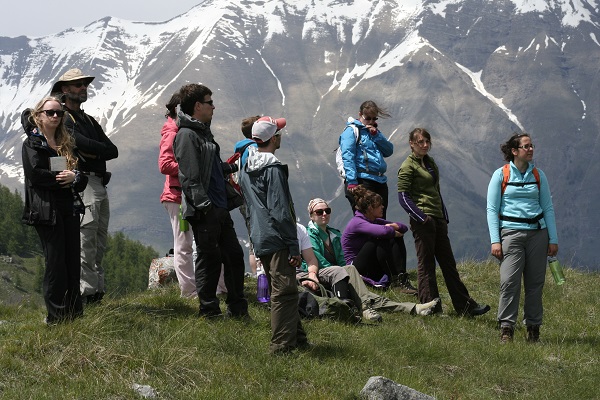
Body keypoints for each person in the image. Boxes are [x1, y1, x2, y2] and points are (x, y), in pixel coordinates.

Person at [172, 83, 248, 319]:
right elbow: (190, 178)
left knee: (234, 256)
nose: (213, 107)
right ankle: (209, 311)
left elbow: (209, 168)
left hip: (219, 206)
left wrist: (230, 166)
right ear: (197, 106)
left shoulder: (203, 132)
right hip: (206, 210)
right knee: (210, 259)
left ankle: (237, 308)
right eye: (209, 102)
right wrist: (206, 208)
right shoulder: (186, 135)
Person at [397, 127, 490, 317]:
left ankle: (466, 307)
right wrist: (422, 218)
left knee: (448, 264)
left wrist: (444, 217)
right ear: (411, 144)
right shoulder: (407, 166)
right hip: (423, 220)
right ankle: (430, 307)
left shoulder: (430, 163)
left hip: (438, 219)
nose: (425, 145)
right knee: (426, 265)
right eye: (420, 142)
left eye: (427, 141)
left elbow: (437, 192)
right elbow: (403, 197)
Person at [238, 116, 309, 354]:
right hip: (277, 236)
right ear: (274, 138)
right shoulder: (273, 167)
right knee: (285, 291)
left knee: (281, 286)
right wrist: (293, 245)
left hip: (259, 235)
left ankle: (298, 338)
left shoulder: (246, 163)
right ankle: (281, 346)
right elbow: (280, 211)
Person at [51, 68, 118, 305]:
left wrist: (91, 149)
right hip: (84, 183)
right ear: (65, 90)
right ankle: (87, 293)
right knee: (86, 238)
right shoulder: (63, 118)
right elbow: (84, 144)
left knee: (98, 238)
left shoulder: (88, 119)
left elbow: (113, 150)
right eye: (77, 84)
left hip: (98, 181)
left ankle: (96, 291)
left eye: (84, 84)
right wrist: (93, 148)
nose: (83, 88)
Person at [21, 96, 88, 324]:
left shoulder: (65, 143)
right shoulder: (32, 144)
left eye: (59, 113)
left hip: (68, 207)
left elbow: (81, 177)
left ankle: (74, 314)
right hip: (46, 211)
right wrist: (63, 179)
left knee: (72, 261)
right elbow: (35, 174)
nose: (56, 117)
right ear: (39, 115)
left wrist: (75, 177)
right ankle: (56, 317)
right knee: (56, 262)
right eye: (50, 112)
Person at [486, 133, 558, 343]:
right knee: (509, 282)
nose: (531, 149)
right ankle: (506, 327)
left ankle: (533, 329)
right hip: (510, 233)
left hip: (538, 234)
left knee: (535, 283)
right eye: (526, 146)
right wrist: (495, 240)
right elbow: (492, 209)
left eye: (532, 146)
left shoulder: (539, 175)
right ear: (514, 151)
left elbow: (548, 208)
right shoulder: (501, 175)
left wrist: (552, 239)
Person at [296, 219, 439, 323]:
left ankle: (414, 308)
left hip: (331, 273)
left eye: (327, 210)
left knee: (353, 274)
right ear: (311, 215)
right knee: (376, 243)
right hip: (324, 274)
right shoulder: (356, 222)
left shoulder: (331, 232)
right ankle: (359, 308)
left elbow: (335, 261)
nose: (325, 214)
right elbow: (319, 261)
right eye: (319, 212)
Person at [341, 186, 417, 293]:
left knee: (394, 238)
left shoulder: (373, 220)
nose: (382, 206)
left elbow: (403, 228)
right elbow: (383, 232)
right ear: (370, 208)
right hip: (356, 269)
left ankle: (401, 278)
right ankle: (395, 281)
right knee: (379, 239)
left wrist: (392, 227)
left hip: (370, 265)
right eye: (379, 205)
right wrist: (392, 230)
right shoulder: (357, 222)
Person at [158, 91, 195, 298]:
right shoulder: (172, 132)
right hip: (177, 197)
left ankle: (193, 288)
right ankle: (188, 292)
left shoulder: (180, 129)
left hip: (183, 195)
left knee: (187, 243)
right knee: (183, 244)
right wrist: (191, 168)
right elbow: (164, 164)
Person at [339, 100, 393, 218]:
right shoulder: (351, 131)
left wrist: (376, 135)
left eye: (374, 119)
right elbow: (348, 156)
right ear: (360, 115)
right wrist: (352, 182)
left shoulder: (373, 132)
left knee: (380, 217)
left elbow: (389, 151)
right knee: (367, 218)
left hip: (380, 181)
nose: (371, 122)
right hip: (363, 181)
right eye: (368, 118)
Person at [233, 115, 260, 275]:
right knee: (258, 236)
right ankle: (261, 276)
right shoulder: (253, 149)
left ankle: (257, 275)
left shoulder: (242, 149)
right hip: (254, 201)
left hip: (244, 199)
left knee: (253, 236)